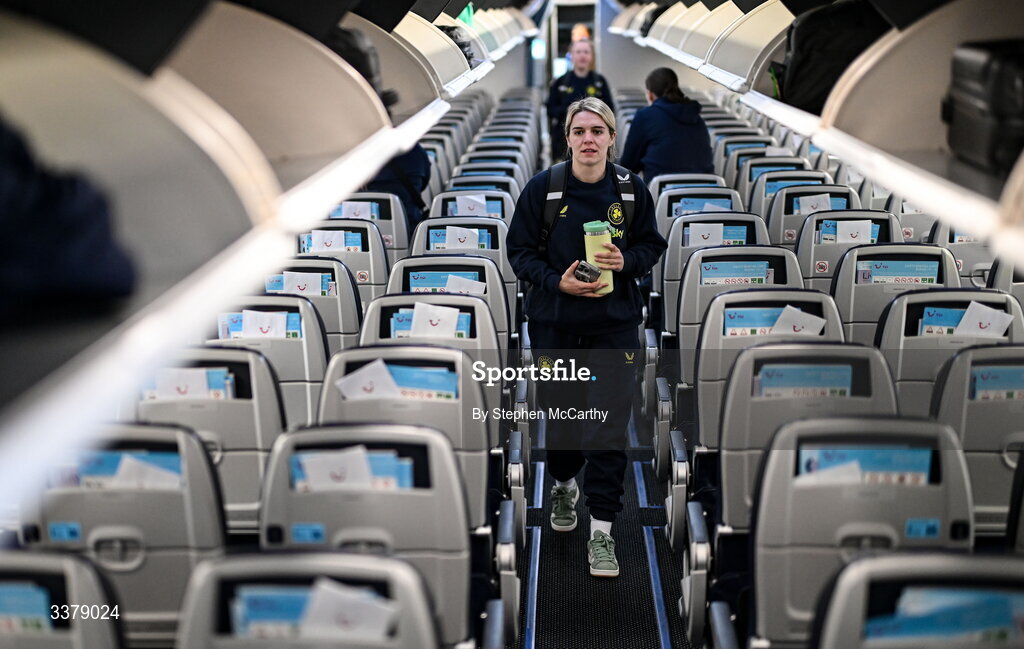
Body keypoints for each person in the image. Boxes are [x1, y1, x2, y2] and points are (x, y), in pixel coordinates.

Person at [506, 98, 667, 578]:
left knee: (607, 427)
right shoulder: (544, 189)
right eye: (579, 131)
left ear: (612, 137)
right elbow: (519, 252)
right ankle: (563, 483)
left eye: (598, 130)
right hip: (556, 323)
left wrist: (626, 262)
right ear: (568, 138)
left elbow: (651, 244)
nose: (589, 139)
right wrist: (557, 282)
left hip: (614, 326)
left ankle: (602, 529)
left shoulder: (630, 190)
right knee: (563, 419)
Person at [618, 67, 714, 180]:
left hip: (662, 188)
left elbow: (629, 166)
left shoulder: (645, 116)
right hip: (705, 187)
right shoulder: (697, 118)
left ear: (650, 95)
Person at [546, 39, 615, 162]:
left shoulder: (599, 82)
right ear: (571, 55)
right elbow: (550, 109)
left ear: (591, 56)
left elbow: (610, 109)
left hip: (594, 140)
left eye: (586, 52)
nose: (582, 55)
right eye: (578, 52)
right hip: (563, 141)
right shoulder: (560, 82)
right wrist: (567, 111)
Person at [364, 144, 432, 232]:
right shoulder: (416, 151)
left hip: (368, 228)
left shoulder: (365, 153)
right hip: (411, 224)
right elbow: (424, 182)